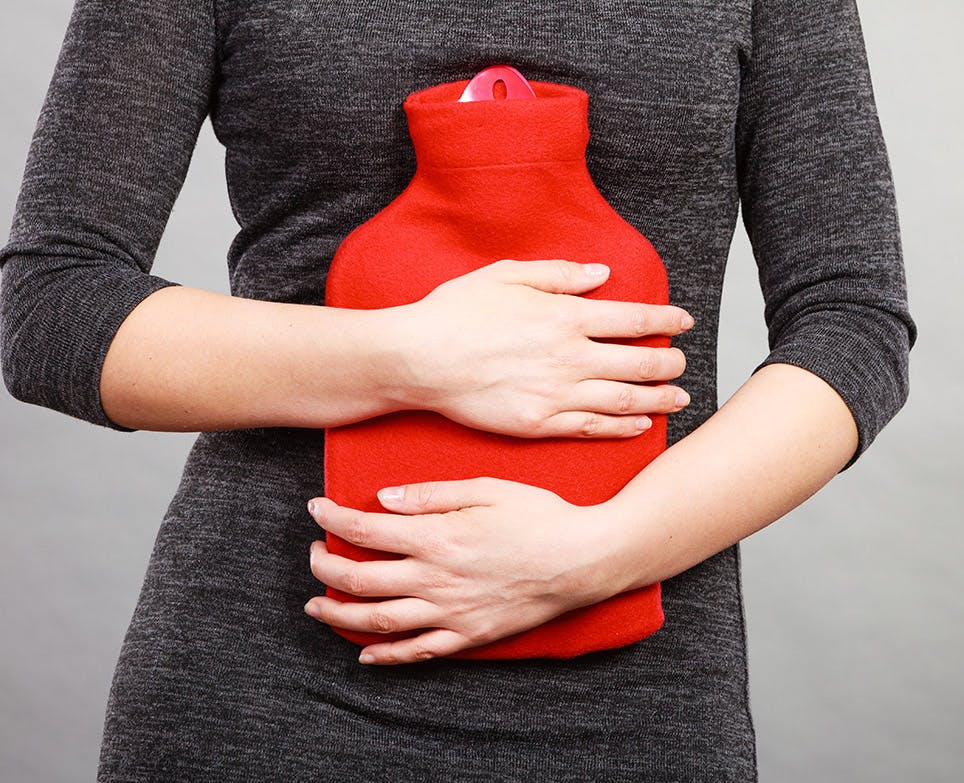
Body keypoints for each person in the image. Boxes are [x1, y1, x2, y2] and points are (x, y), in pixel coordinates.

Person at [0, 0, 914, 780]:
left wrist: (598, 554)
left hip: (638, 699)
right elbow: (52, 307)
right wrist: (409, 355)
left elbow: (852, 322)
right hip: (265, 690)